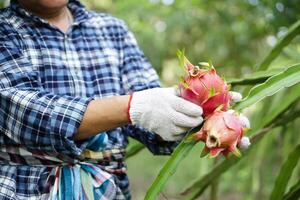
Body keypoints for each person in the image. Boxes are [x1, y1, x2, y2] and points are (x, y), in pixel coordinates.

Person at [0, 0, 243, 199]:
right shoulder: (5, 30)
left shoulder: (112, 30)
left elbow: (151, 111)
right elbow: (26, 112)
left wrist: (206, 116)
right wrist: (132, 107)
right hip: (26, 191)